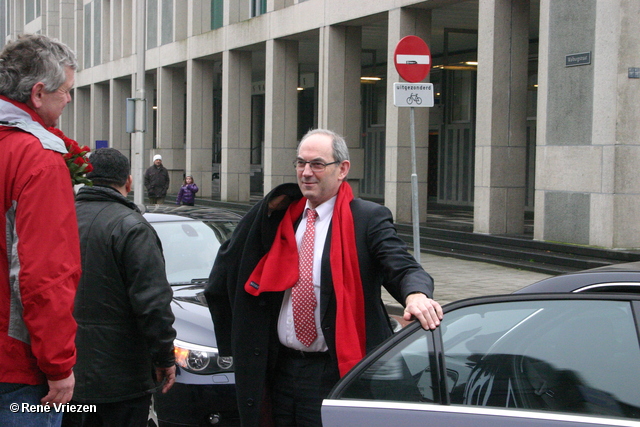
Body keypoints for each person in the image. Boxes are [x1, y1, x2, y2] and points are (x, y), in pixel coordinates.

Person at [205, 128, 443, 426]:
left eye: (317, 164)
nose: (306, 172)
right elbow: (229, 267)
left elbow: (402, 266)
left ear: (342, 169)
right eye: (300, 163)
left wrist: (416, 294)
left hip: (335, 371)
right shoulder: (277, 216)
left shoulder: (367, 219)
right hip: (279, 369)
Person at [0, 34, 82, 426]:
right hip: (14, 367)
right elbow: (43, 275)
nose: (68, 100)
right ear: (37, 93)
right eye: (66, 91)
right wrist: (58, 364)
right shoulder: (38, 161)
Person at [64, 148, 177, 426]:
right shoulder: (132, 227)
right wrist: (164, 357)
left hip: (65, 373)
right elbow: (153, 302)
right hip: (121, 380)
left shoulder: (61, 219)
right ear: (128, 182)